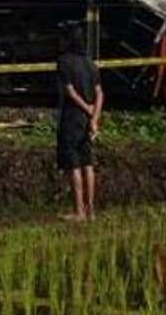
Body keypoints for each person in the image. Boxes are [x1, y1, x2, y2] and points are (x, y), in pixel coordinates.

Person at [56, 27, 104, 221]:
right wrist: (94, 117)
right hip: (88, 119)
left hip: (72, 117)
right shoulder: (91, 64)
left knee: (74, 164)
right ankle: (91, 210)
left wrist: (86, 109)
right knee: (88, 163)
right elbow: (100, 93)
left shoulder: (64, 62)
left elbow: (70, 92)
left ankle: (79, 211)